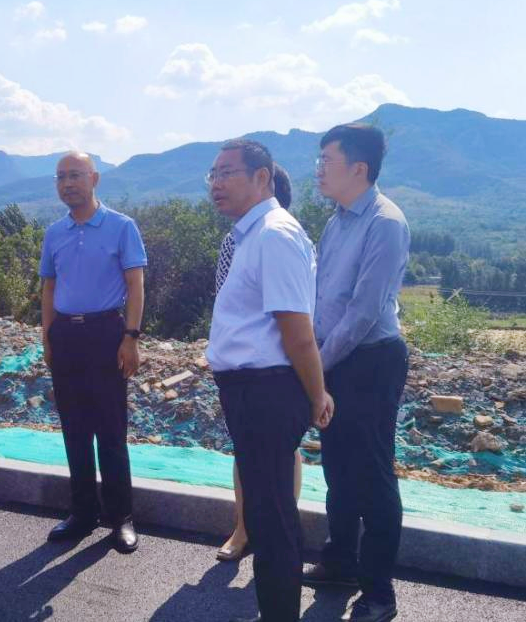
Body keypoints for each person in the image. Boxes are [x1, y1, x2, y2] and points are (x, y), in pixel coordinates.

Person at [205, 139, 333, 622]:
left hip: (268, 390)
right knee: (264, 510)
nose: (216, 184)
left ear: (262, 177)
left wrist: (317, 393)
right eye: (213, 175)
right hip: (249, 389)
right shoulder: (251, 235)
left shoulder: (275, 234)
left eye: (227, 173)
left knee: (272, 516)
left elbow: (297, 332)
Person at [304, 123, 410, 622]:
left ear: (359, 169)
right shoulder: (337, 221)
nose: (319, 169)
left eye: (327, 160)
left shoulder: (385, 223)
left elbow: (364, 312)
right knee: (337, 466)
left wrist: (316, 365)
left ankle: (379, 592)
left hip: (370, 362)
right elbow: (321, 295)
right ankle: (340, 562)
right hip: (334, 357)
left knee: (372, 473)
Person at [39, 151, 147, 553]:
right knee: (74, 429)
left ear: (94, 178)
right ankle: (82, 513)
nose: (68, 184)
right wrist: (47, 336)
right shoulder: (55, 232)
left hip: (106, 333)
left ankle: (121, 517)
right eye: (61, 177)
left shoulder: (121, 226)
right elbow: (49, 287)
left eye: (75, 175)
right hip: (66, 335)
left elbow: (135, 285)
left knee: (111, 430)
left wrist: (131, 337)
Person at [216, 163, 302, 563]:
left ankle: (276, 534)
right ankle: (244, 527)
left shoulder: (282, 237)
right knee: (246, 453)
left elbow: (295, 319)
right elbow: (226, 302)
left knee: (282, 456)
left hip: (276, 371)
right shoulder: (234, 242)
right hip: (242, 371)